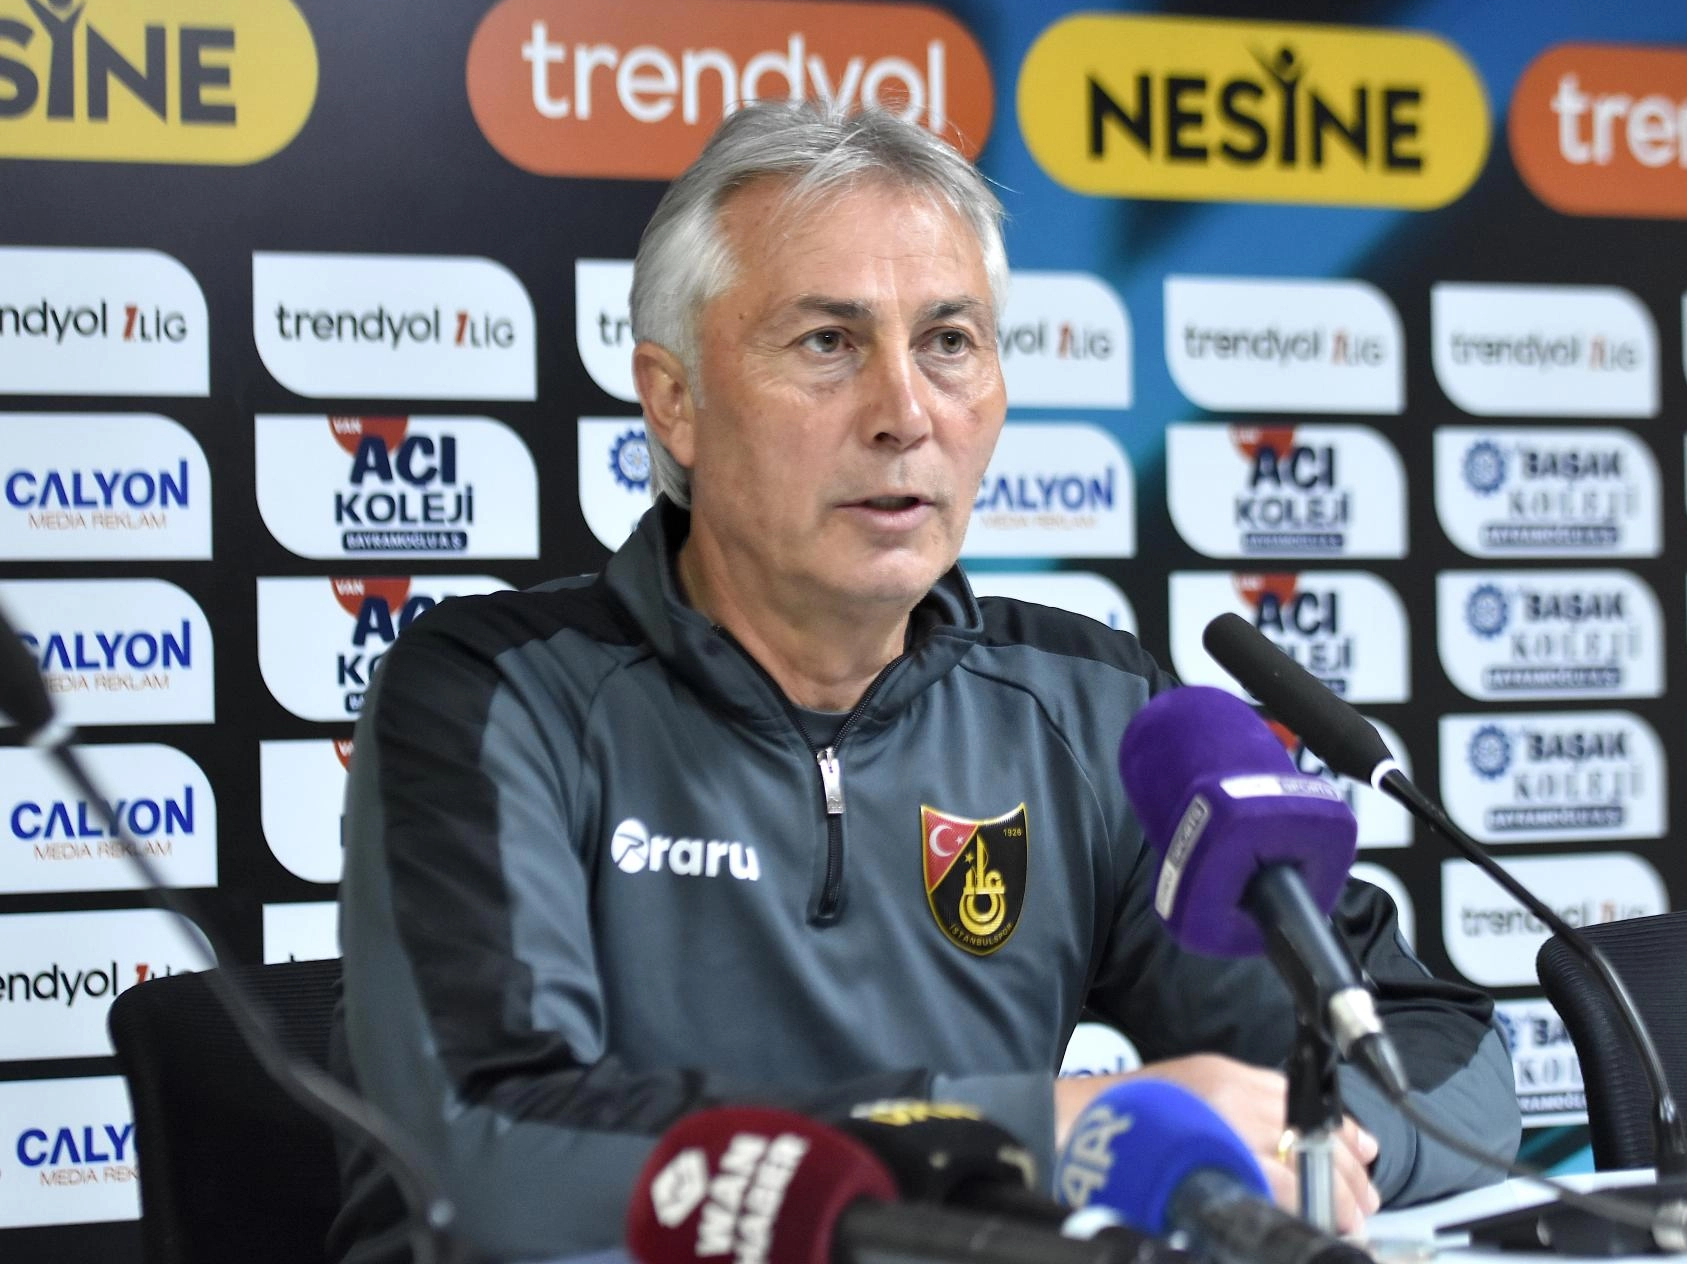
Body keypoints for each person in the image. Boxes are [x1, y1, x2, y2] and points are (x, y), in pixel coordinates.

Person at [328, 101, 1520, 1264]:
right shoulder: (499, 695)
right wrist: (1033, 1132)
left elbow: (1438, 1058)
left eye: (948, 341)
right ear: (673, 399)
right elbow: (491, 1150)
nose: (904, 413)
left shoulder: (1089, 706)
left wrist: (1315, 1143)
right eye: (827, 342)